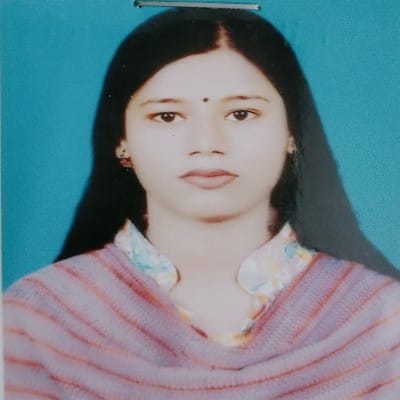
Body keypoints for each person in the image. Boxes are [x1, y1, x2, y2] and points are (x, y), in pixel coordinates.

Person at [3, 8, 400, 399]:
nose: (207, 144)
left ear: (292, 133)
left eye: (241, 113)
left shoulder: (381, 320)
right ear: (121, 140)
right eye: (167, 116)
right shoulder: (37, 319)